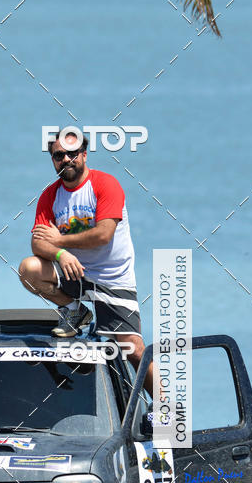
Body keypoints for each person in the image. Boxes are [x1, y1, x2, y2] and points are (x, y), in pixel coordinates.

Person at [18, 128, 153, 386]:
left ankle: (167, 411)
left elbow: (104, 235)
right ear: (52, 160)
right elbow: (37, 243)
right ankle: (74, 310)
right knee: (29, 269)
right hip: (74, 273)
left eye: (71, 153)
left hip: (111, 278)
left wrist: (59, 241)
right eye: (59, 155)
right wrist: (60, 253)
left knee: (133, 349)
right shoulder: (50, 195)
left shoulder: (105, 184)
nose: (66, 160)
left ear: (84, 154)